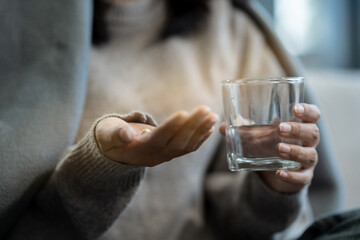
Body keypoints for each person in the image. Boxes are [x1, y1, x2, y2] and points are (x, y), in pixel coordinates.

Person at [0, 0, 344, 239]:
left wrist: (274, 188)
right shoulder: (17, 30)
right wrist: (101, 166)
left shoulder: (230, 32)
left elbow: (247, 227)